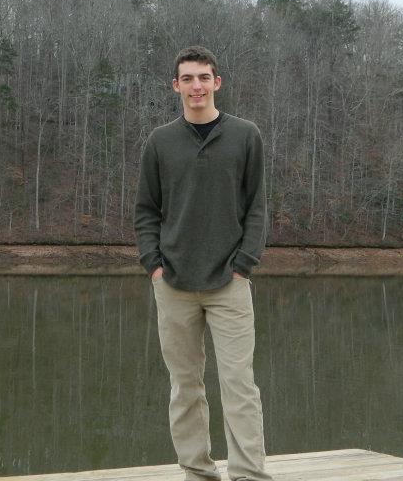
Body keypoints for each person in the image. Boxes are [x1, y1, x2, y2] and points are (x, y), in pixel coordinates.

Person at [135, 45, 272, 481]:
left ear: (217, 82)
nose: (197, 86)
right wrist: (153, 264)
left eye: (204, 77)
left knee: (239, 387)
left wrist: (244, 264)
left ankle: (249, 474)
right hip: (173, 282)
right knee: (185, 388)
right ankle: (197, 472)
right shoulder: (159, 142)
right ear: (176, 86)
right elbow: (145, 211)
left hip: (229, 282)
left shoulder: (245, 135)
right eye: (188, 78)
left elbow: (257, 207)